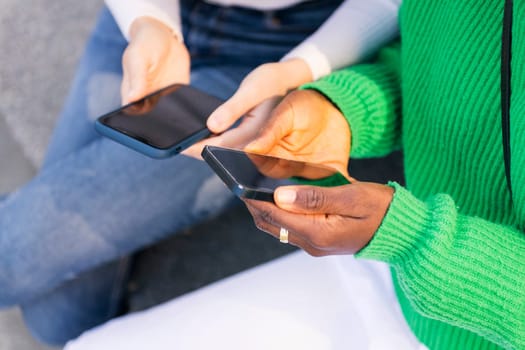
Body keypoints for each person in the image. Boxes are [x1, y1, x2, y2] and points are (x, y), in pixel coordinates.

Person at [68, 0, 524, 349]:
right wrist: (339, 111)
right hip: (403, 276)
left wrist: (413, 237)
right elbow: (431, 61)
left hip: (469, 308)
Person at [0, 0, 401, 345]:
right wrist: (146, 21)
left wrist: (302, 71)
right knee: (52, 311)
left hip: (307, 38)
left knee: (50, 314)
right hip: (150, 21)